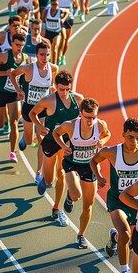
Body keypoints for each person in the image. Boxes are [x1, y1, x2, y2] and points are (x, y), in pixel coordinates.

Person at [89, 118, 138, 273]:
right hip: (118, 200)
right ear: (123, 134)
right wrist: (99, 177)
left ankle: (114, 238)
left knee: (133, 241)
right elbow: (93, 161)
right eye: (130, 137)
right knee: (126, 234)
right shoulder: (112, 152)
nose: (134, 141)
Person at [53, 98, 110, 248]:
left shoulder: (100, 125)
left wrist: (103, 142)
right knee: (76, 194)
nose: (91, 121)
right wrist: (63, 145)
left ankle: (81, 235)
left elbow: (107, 133)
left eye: (93, 117)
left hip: (89, 166)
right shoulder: (70, 126)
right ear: (80, 114)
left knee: (88, 205)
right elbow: (55, 133)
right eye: (87, 117)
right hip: (71, 163)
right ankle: (70, 197)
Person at [29, 70, 84, 226]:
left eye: (67, 89)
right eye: (61, 89)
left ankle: (56, 208)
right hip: (51, 142)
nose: (65, 93)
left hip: (67, 143)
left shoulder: (78, 99)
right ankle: (44, 181)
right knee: (49, 179)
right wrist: (40, 127)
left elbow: (88, 115)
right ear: (55, 87)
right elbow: (33, 113)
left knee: (62, 173)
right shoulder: (48, 100)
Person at [10, 42, 58, 182]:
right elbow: (12, 74)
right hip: (28, 108)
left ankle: (39, 172)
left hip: (43, 110)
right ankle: (26, 137)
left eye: (47, 54)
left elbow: (52, 84)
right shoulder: (28, 68)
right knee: (30, 141)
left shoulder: (53, 68)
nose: (44, 57)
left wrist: (52, 89)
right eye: (42, 54)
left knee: (42, 139)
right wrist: (18, 90)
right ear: (36, 55)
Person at [0, 34, 28, 163]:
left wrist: (22, 90)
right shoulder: (4, 56)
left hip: (13, 94)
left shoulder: (25, 59)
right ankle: (4, 122)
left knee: (14, 122)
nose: (19, 48)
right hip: (0, 93)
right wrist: (5, 73)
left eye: (21, 45)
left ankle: (12, 152)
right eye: (17, 45)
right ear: (11, 44)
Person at [42, 0, 69, 68]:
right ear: (51, 4)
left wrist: (63, 19)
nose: (55, 6)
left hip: (57, 33)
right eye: (53, 4)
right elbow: (42, 20)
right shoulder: (47, 11)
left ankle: (54, 66)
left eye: (56, 4)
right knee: (47, 50)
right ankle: (48, 63)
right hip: (48, 32)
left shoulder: (60, 11)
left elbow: (67, 11)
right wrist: (43, 31)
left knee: (54, 48)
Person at [57, 0, 80, 66]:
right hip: (61, 20)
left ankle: (63, 56)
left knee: (66, 40)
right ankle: (58, 57)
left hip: (69, 20)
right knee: (63, 37)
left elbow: (77, 6)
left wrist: (73, 14)